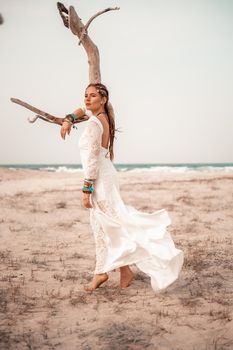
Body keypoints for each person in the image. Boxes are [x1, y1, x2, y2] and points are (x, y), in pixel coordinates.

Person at [60, 83, 184, 292]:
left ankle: (102, 272)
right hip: (106, 174)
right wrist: (69, 119)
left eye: (92, 96)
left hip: (99, 178)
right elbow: (80, 109)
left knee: (106, 225)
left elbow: (92, 158)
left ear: (104, 99)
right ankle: (121, 270)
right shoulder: (102, 118)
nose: (87, 99)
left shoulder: (93, 124)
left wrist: (86, 188)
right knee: (107, 225)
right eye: (85, 95)